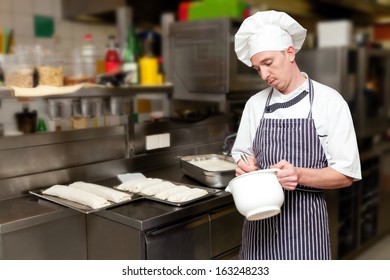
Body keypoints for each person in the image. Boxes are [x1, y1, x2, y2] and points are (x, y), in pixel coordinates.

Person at [231, 10, 362, 260]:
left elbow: (346, 174)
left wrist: (299, 174)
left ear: (290, 53)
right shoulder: (255, 104)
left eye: (268, 63)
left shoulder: (329, 102)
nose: (264, 75)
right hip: (258, 223)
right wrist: (243, 166)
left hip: (305, 225)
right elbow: (242, 153)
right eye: (257, 68)